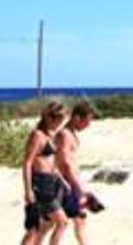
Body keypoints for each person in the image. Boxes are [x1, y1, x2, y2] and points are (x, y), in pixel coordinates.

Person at [22, 101, 70, 245]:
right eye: (58, 121)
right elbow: (27, 162)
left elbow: (52, 163)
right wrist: (28, 190)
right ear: (49, 117)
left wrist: (62, 180)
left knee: (44, 225)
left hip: (50, 182)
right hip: (40, 184)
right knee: (62, 222)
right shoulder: (38, 135)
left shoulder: (50, 134)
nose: (59, 125)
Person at [55, 101, 97, 245]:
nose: (87, 126)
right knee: (59, 223)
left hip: (71, 182)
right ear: (77, 117)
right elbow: (65, 163)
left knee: (78, 220)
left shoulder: (70, 133)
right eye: (86, 122)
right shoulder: (64, 135)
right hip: (66, 183)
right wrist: (78, 187)